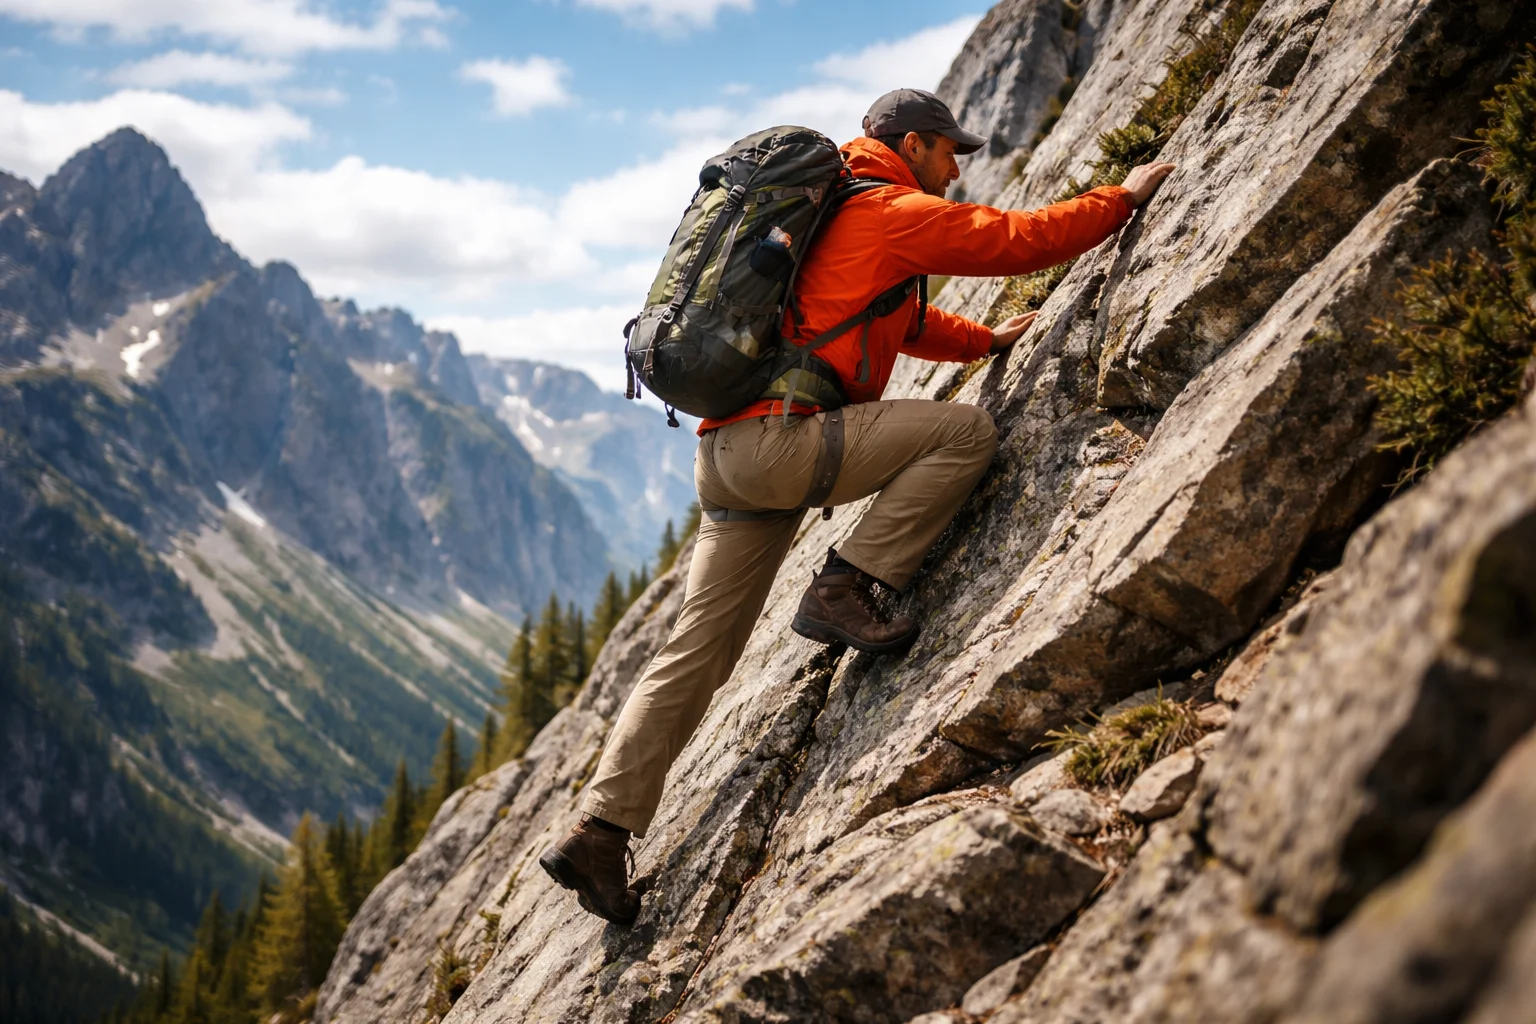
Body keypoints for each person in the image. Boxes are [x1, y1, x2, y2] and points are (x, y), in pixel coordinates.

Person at [540, 88, 1175, 925]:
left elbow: (887, 320)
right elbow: (1016, 240)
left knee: (696, 651)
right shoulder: (888, 208)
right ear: (912, 144)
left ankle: (598, 829)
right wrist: (1120, 199)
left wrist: (981, 341)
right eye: (950, 152)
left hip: (726, 458)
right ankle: (845, 584)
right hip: (780, 448)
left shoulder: (829, 209)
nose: (955, 170)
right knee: (963, 433)